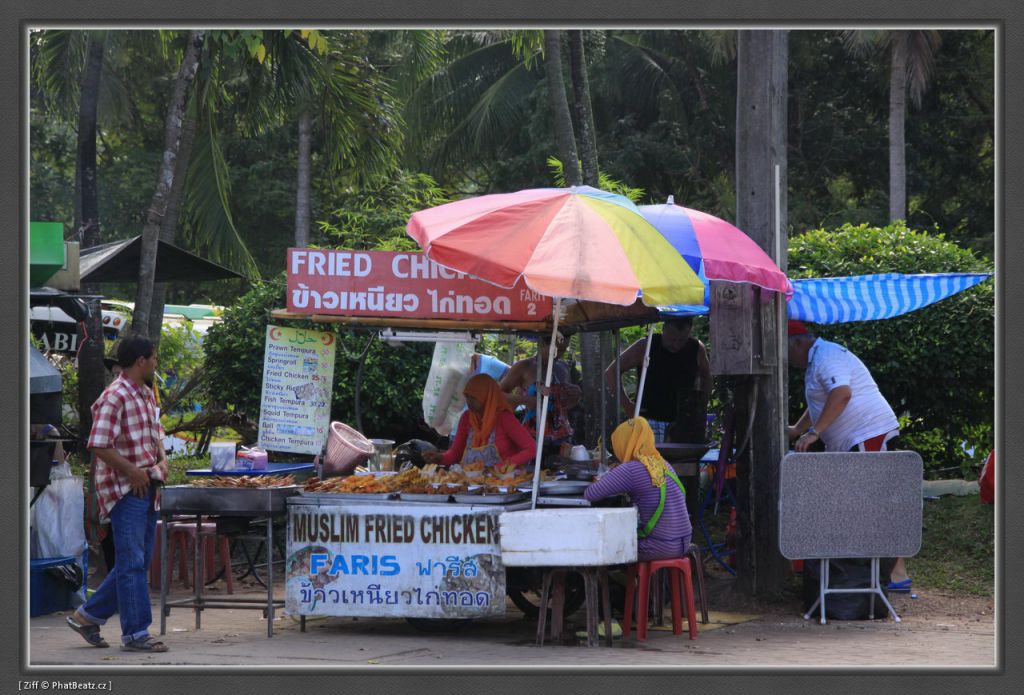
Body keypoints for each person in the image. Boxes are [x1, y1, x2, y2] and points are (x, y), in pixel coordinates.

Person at [786, 319, 910, 588]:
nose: (787, 360)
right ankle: (870, 573)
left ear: (798, 343)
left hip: (868, 433)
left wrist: (815, 432)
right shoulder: (815, 362)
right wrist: (798, 429)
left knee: (872, 505)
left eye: (787, 352)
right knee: (858, 505)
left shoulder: (827, 355)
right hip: (853, 440)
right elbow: (821, 400)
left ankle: (896, 575)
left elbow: (841, 393)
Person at [66, 334, 170, 653]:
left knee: (134, 562)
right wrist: (132, 470)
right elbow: (98, 444)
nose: (155, 363)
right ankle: (136, 634)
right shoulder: (115, 395)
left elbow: (156, 432)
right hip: (127, 490)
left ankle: (88, 616)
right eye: (153, 358)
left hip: (149, 485)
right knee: (132, 562)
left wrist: (162, 458)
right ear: (141, 361)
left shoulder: (145, 393)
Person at [584, 417, 692, 560]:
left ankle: (617, 580)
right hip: (684, 542)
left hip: (660, 546)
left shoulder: (631, 469)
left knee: (607, 544)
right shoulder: (662, 463)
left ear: (624, 443)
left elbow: (590, 494)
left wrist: (603, 479)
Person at [605, 316, 712, 444]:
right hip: (650, 420)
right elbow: (611, 372)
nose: (676, 345)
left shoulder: (697, 348)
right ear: (663, 329)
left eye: (682, 340)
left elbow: (706, 376)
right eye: (672, 339)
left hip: (683, 422)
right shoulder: (646, 346)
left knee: (682, 462)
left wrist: (702, 405)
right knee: (649, 462)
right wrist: (627, 405)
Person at [423, 374, 536, 469]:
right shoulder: (467, 418)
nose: (469, 402)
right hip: (472, 484)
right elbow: (455, 453)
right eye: (467, 397)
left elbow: (531, 449)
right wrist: (440, 458)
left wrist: (501, 467)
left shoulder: (504, 417)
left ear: (487, 396)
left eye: (474, 397)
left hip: (503, 482)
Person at [500, 332, 582, 451]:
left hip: (561, 437)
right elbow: (497, 395)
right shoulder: (524, 367)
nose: (559, 354)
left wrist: (575, 396)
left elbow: (564, 405)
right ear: (543, 343)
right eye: (557, 350)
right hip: (532, 436)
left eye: (563, 350)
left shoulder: (563, 367)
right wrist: (525, 400)